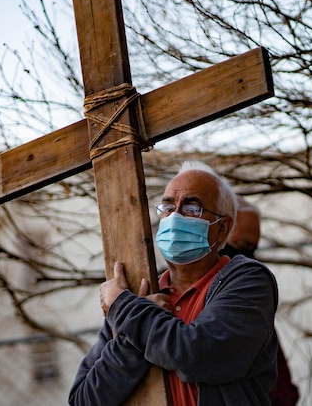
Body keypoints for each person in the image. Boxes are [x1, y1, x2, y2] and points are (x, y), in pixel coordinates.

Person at [69, 161, 279, 406]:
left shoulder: (247, 280)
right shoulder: (141, 295)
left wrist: (127, 313)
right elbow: (84, 400)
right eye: (168, 207)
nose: (174, 216)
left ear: (222, 229)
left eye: (192, 208)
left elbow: (198, 356)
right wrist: (130, 338)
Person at [220, 196, 300, 406]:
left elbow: (281, 386)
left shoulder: (252, 300)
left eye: (252, 248)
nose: (249, 257)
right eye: (241, 244)